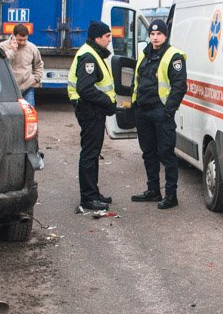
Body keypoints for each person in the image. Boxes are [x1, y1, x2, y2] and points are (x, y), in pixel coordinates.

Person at [130, 19, 187, 209]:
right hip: (144, 111)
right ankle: (153, 190)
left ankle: (171, 195)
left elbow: (179, 86)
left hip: (161, 112)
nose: (155, 37)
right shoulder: (144, 54)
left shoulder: (174, 56)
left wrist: (168, 111)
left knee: (166, 154)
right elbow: (136, 80)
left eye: (159, 34)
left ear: (165, 35)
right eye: (152, 34)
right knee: (148, 153)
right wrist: (134, 104)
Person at [67, 20, 117, 212]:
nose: (109, 40)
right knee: (89, 154)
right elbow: (85, 89)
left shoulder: (94, 53)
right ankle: (88, 198)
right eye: (107, 37)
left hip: (93, 111)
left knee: (93, 153)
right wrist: (107, 101)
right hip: (90, 111)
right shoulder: (89, 56)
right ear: (97, 38)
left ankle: (93, 193)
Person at [4, 23, 43, 105]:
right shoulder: (2, 47)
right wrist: (12, 51)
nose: (22, 42)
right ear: (13, 36)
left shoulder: (32, 48)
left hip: (27, 88)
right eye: (20, 40)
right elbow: (1, 64)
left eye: (24, 40)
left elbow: (39, 64)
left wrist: (36, 79)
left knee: (29, 116)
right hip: (8, 89)